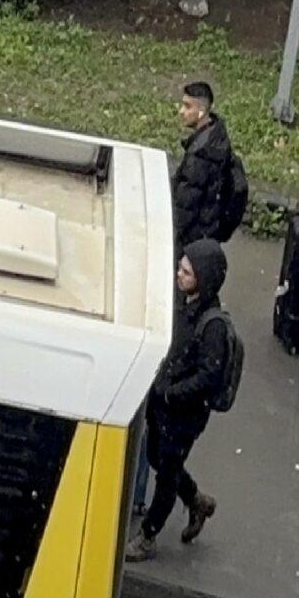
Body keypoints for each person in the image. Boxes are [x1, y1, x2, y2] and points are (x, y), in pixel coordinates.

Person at [126, 241, 233, 562]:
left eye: (187, 271)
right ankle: (197, 501)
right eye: (180, 267)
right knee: (159, 460)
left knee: (166, 474)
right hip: (164, 405)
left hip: (183, 415)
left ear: (204, 278)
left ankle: (148, 536)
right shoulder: (183, 302)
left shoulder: (212, 326)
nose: (178, 274)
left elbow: (207, 377)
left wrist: (171, 392)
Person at [170, 82, 240, 246]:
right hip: (208, 232)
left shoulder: (200, 156)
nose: (181, 111)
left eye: (187, 107)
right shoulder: (217, 136)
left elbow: (185, 206)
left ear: (201, 112)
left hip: (192, 238)